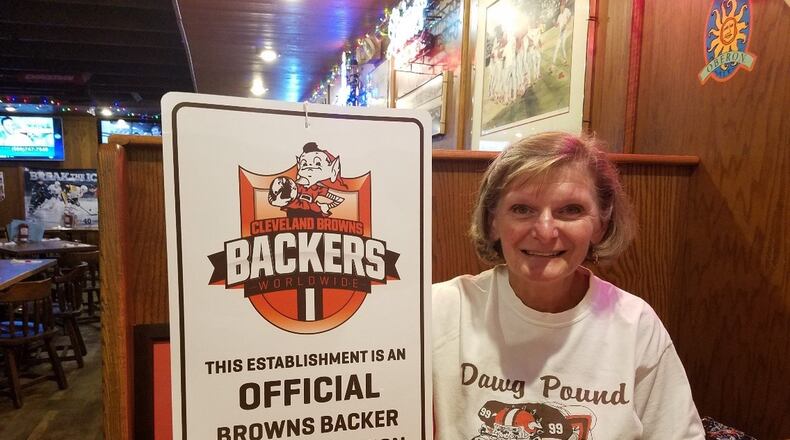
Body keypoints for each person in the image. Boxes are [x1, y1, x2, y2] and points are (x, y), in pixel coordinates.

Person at [433, 132, 704, 439]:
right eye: (522, 209)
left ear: (600, 225)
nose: (545, 231)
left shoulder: (635, 325)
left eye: (571, 210)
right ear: (493, 222)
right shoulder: (438, 310)